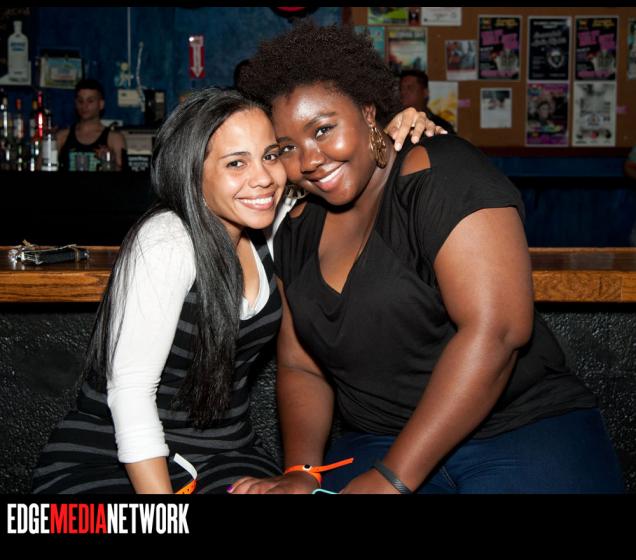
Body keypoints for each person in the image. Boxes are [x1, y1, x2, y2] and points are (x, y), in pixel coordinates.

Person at [231, 21, 625, 494]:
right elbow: (302, 366)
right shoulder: (294, 228)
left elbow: (498, 331)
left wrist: (392, 478)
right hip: (377, 439)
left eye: (323, 130)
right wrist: (301, 471)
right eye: (288, 148)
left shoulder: (442, 173)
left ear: (368, 111)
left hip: (520, 427)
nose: (309, 160)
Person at [31, 83, 443, 494]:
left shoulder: (272, 223)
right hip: (114, 458)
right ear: (193, 171)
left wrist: (394, 135)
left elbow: (349, 176)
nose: (263, 178)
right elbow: (132, 393)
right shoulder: (167, 239)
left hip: (227, 456)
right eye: (235, 163)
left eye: (270, 156)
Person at [57, 78, 126, 171]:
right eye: (80, 101)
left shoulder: (114, 139)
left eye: (90, 101)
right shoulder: (62, 137)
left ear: (101, 104)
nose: (84, 106)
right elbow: (41, 168)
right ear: (75, 103)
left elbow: (124, 174)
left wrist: (109, 161)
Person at [399, 69, 455, 134]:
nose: (403, 92)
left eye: (410, 88)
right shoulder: (395, 123)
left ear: (425, 92)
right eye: (401, 88)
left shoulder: (441, 127)